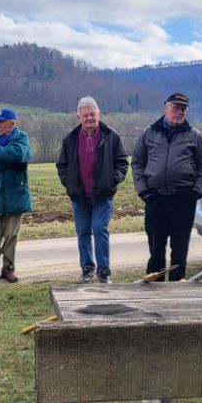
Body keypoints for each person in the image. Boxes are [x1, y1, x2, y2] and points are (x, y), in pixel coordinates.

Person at [132, 93, 202, 282]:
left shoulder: (194, 135)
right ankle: (155, 291)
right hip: (155, 199)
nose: (178, 112)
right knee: (156, 249)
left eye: (183, 108)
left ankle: (177, 290)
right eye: (175, 107)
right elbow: (137, 164)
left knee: (180, 250)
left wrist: (196, 192)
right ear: (165, 108)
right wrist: (144, 191)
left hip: (183, 200)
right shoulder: (149, 133)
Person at [56, 96, 128, 284]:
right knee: (83, 232)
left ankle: (104, 272)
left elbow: (122, 163)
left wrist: (113, 180)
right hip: (79, 196)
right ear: (78, 117)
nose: (89, 118)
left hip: (103, 195)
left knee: (99, 229)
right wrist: (69, 183)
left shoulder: (111, 136)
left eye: (93, 114)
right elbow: (62, 165)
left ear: (99, 114)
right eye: (85, 115)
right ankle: (87, 269)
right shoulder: (70, 139)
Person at [0, 108, 32, 284]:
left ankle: (8, 267)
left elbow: (20, 154)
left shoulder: (22, 138)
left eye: (2, 121)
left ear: (12, 123)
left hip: (15, 195)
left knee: (11, 234)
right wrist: (9, 161)